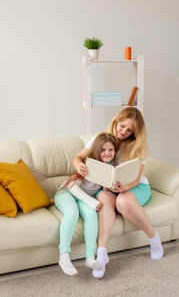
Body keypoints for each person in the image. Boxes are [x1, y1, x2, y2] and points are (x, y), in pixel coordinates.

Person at [73, 107, 164, 278]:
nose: (124, 132)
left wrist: (125, 188)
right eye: (122, 126)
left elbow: (136, 179)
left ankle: (154, 239)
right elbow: (78, 157)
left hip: (134, 187)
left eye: (130, 130)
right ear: (116, 121)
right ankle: (101, 253)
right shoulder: (101, 139)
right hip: (108, 187)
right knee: (104, 199)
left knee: (123, 202)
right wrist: (78, 164)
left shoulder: (138, 147)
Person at [54, 132, 118, 276]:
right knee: (72, 212)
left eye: (111, 150)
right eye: (103, 150)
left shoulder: (111, 169)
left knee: (91, 215)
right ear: (97, 150)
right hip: (66, 192)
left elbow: (103, 187)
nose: (107, 153)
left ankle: (90, 257)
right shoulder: (88, 164)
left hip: (83, 198)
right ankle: (64, 256)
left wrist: (109, 187)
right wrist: (91, 201)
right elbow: (72, 186)